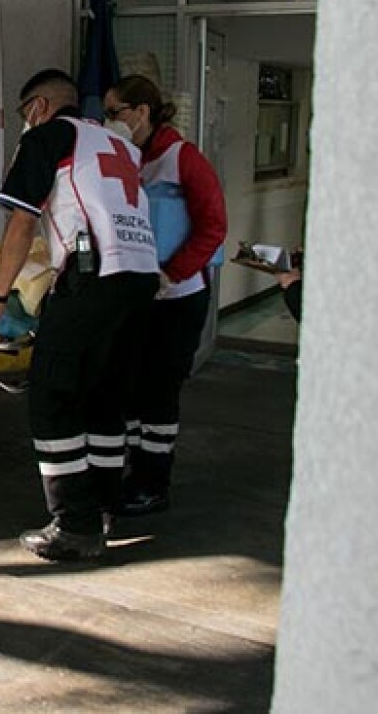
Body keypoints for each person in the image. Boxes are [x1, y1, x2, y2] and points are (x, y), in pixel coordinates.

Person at [0, 69, 160, 561]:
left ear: (37, 106)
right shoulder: (119, 145)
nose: (25, 122)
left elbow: (21, 221)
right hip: (141, 277)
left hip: (92, 277)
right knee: (104, 398)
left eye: (24, 113)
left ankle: (74, 524)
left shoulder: (49, 137)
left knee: (53, 395)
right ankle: (101, 508)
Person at [102, 75, 228, 517]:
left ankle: (154, 483)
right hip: (136, 293)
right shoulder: (124, 157)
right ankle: (135, 472)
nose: (109, 121)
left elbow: (214, 227)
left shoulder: (183, 158)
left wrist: (171, 273)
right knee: (132, 389)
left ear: (141, 112)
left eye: (115, 111)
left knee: (158, 391)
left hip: (177, 295)